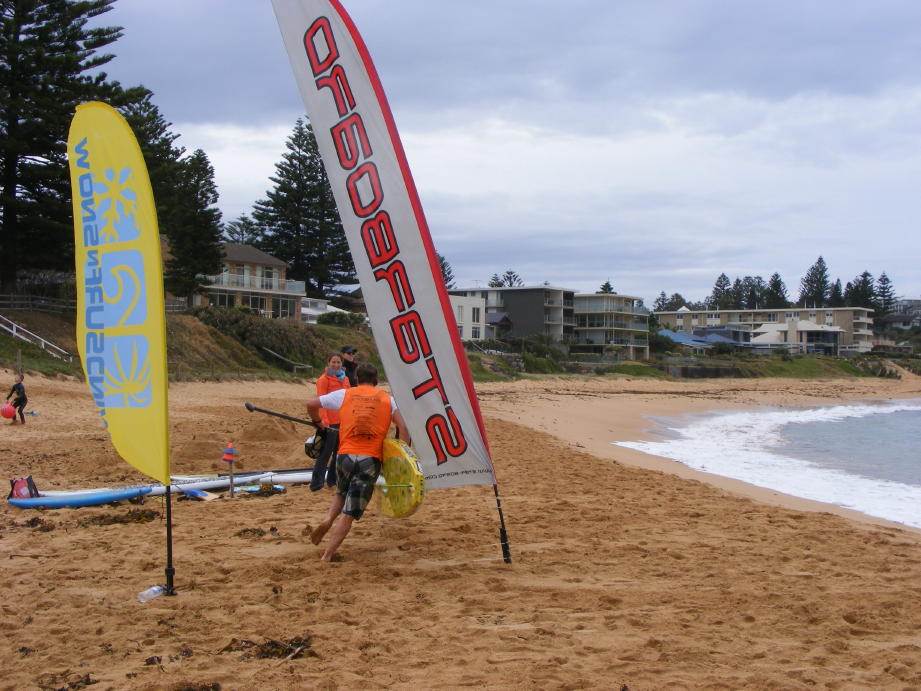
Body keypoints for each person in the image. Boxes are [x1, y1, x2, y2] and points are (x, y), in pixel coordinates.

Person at [306, 363, 410, 561]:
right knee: (349, 513)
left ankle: (328, 519)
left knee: (341, 492)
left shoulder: (344, 394)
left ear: (356, 378)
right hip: (369, 460)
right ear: (376, 380)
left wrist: (319, 424)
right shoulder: (388, 400)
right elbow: (404, 428)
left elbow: (311, 405)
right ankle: (327, 555)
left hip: (344, 456)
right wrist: (401, 456)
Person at [309, 353, 351, 491]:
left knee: (339, 453)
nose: (336, 365)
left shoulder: (345, 379)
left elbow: (349, 399)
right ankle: (316, 483)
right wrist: (323, 422)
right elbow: (320, 401)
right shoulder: (323, 380)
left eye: (338, 362)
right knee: (325, 452)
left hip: (343, 421)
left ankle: (332, 481)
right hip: (329, 422)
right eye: (333, 362)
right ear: (328, 363)